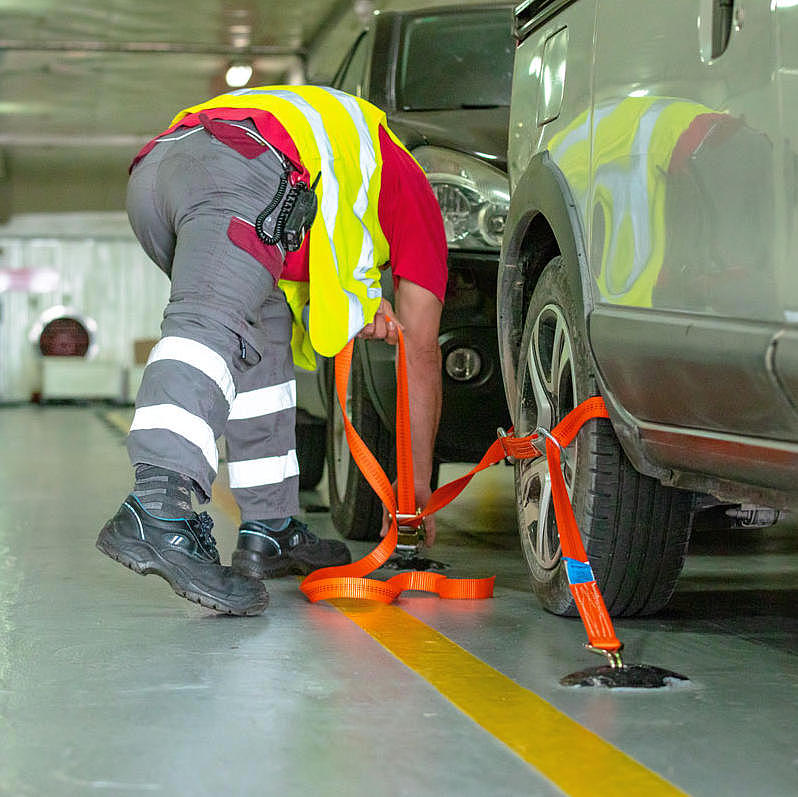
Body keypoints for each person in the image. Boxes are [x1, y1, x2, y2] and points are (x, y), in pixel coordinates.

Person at [96, 85, 448, 616]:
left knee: (258, 334)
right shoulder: (408, 184)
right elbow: (420, 347)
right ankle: (159, 507)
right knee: (207, 326)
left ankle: (271, 526)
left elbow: (327, 260)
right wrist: (415, 489)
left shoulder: (339, 161)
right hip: (243, 166)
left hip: (160, 172)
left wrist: (358, 300)